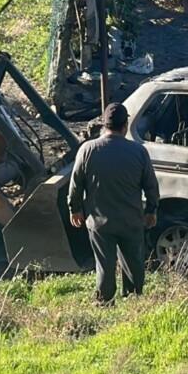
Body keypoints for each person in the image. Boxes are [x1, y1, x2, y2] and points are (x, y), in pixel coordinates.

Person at [68, 102, 160, 303]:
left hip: (100, 223)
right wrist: (151, 210)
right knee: (134, 263)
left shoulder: (87, 150)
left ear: (104, 124)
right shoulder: (138, 152)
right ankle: (134, 300)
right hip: (131, 220)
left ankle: (104, 302)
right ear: (125, 124)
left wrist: (75, 210)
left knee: (104, 265)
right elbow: (151, 186)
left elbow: (76, 184)